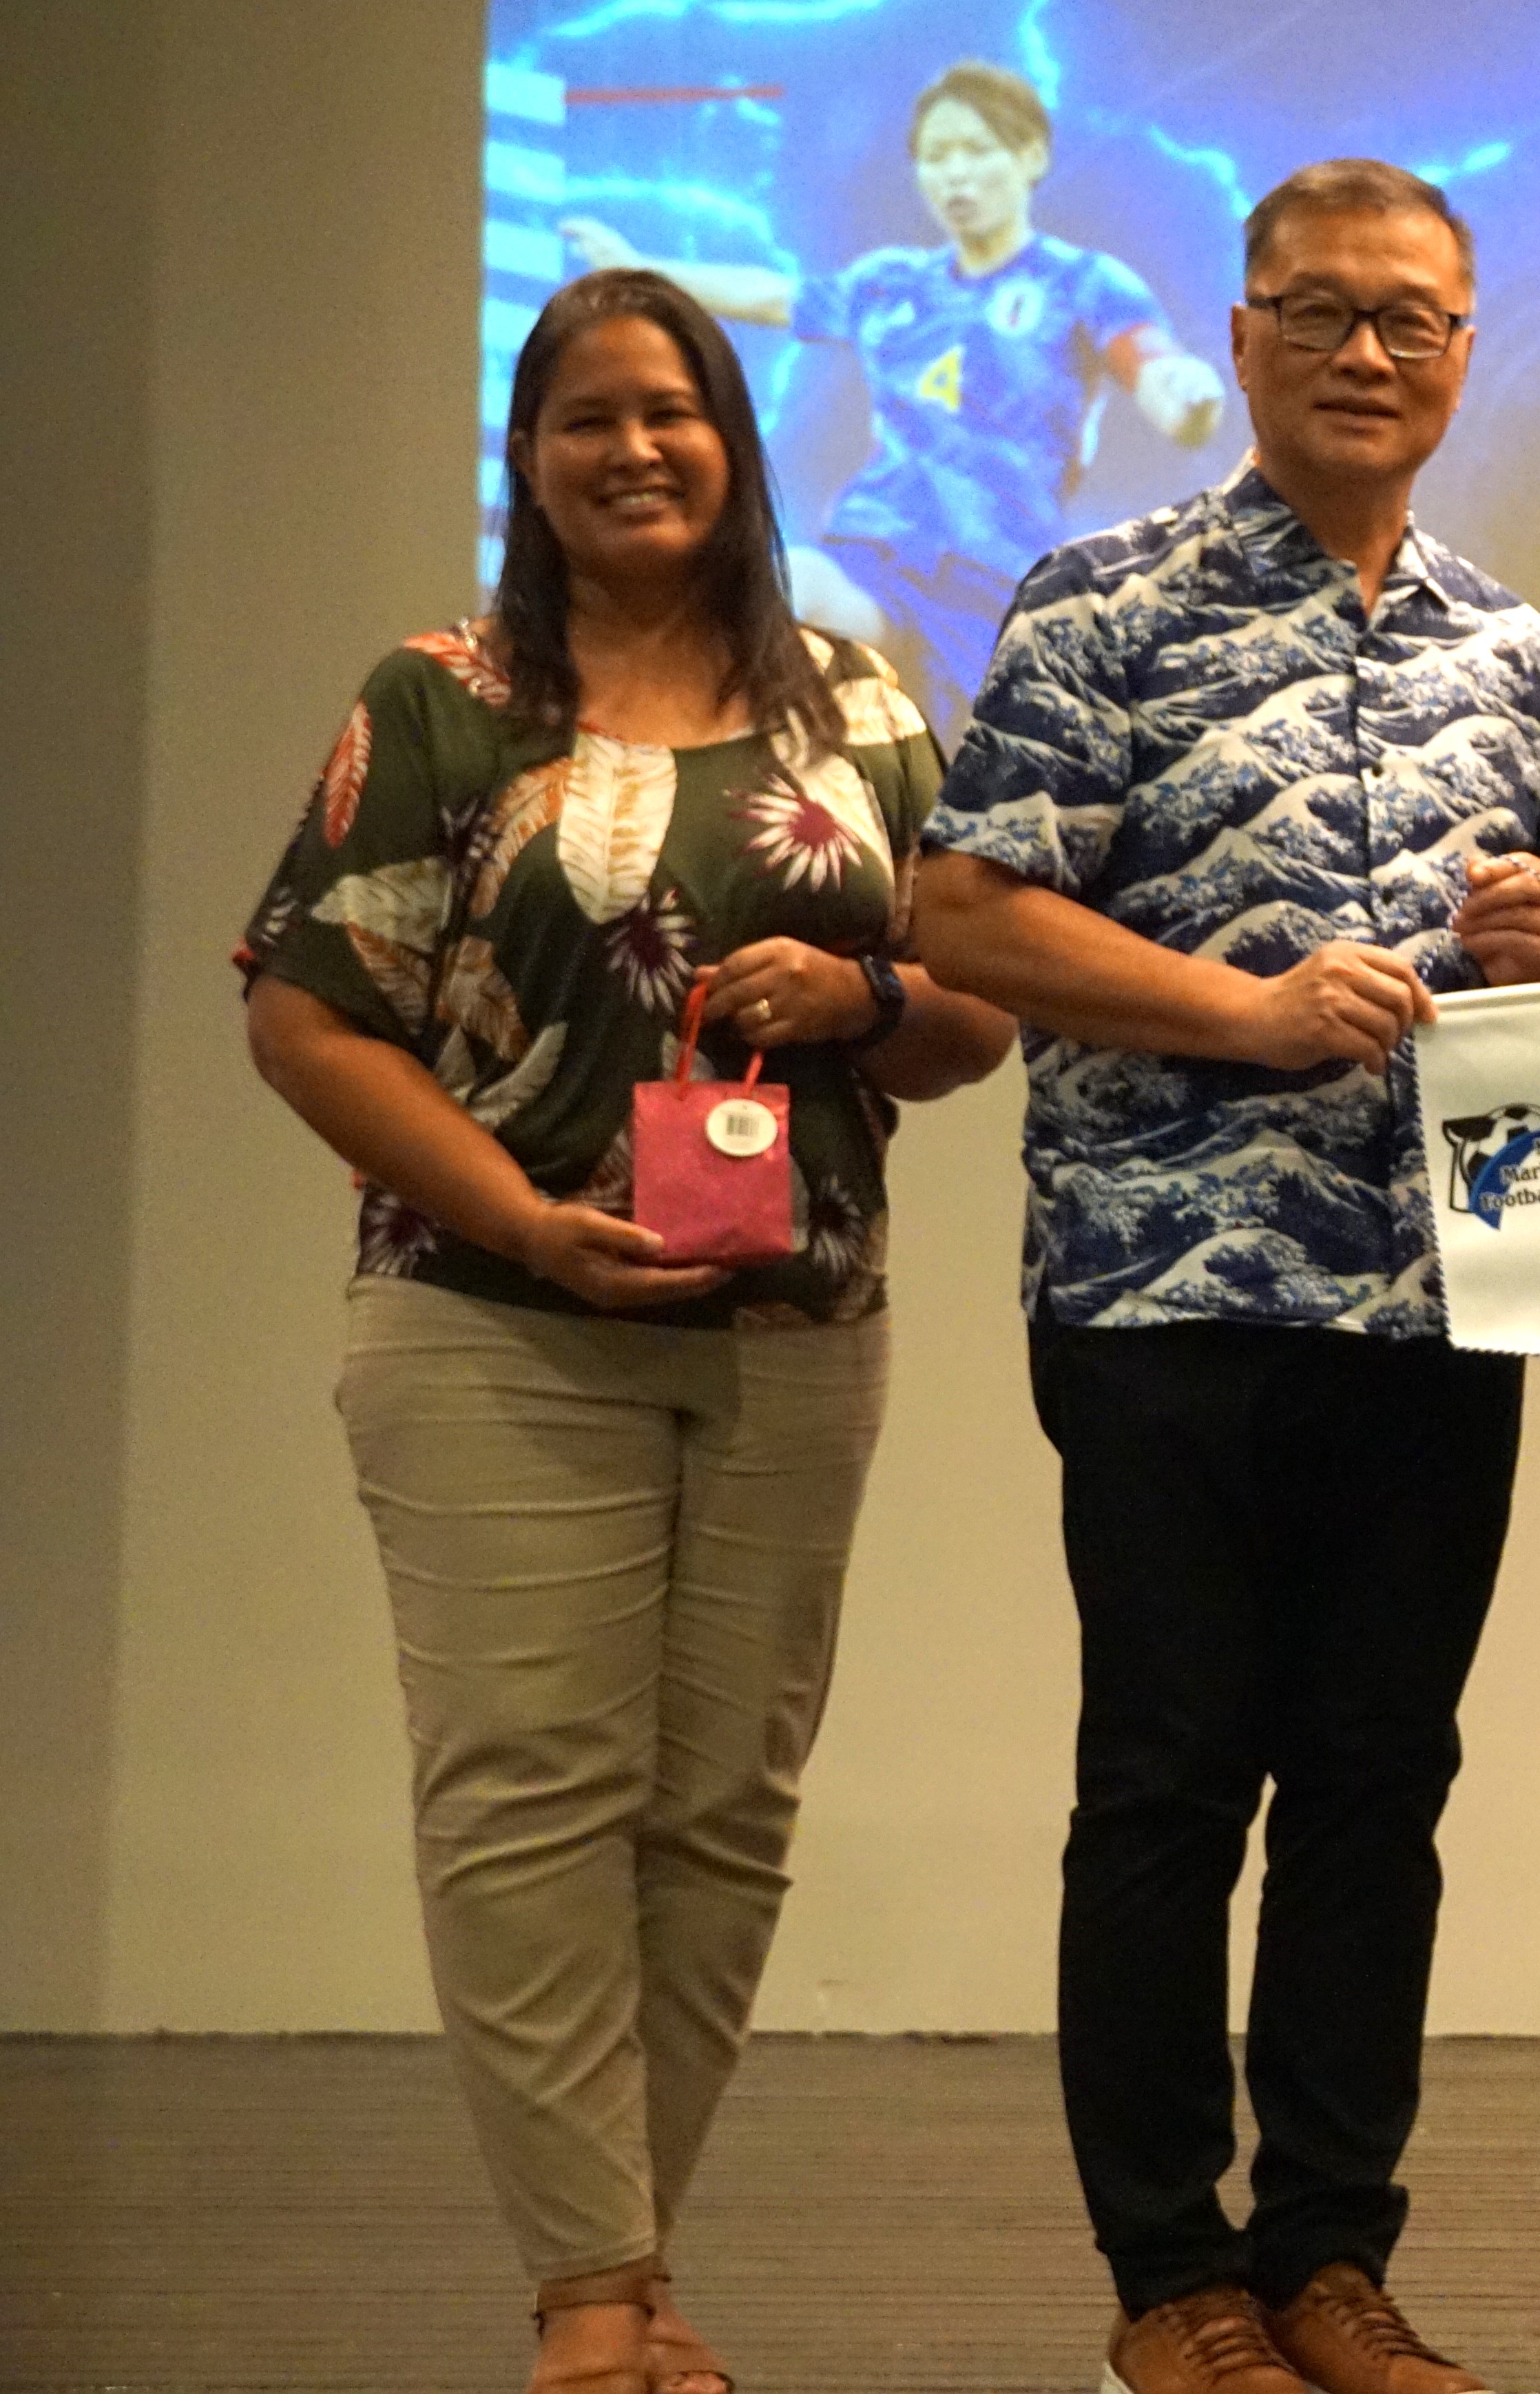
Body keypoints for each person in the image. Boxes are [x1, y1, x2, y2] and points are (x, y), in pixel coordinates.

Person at [237, 267, 1014, 2394]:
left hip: (792, 1323)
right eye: (586, 418)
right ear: (528, 456)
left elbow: (969, 1013)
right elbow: (305, 1010)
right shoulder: (442, 702)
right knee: (527, 1788)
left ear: (736, 440)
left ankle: (621, 2256)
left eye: (670, 412)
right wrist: (522, 1216)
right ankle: (594, 2295)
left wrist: (860, 997)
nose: (634, 448)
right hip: (494, 1317)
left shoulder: (855, 706)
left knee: (719, 1807)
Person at [907, 159, 1540, 2394]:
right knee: (1174, 1778)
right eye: (1322, 313)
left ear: (1467, 355)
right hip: (1161, 1295)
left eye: (1413, 320)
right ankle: (1167, 2278)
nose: (1368, 353)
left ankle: (1331, 2260)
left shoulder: (1522, 656)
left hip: (1437, 1304)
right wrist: (1247, 1010)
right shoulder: (1105, 599)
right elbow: (970, 915)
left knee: (1383, 1779)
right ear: (1240, 334)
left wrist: (1537, 953)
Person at [563, 59, 1223, 716]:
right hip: (874, 556)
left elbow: (1156, 370)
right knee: (792, 591)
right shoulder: (891, 283)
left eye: (976, 150)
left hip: (994, 586)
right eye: (936, 156)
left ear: (1031, 156)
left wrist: (1188, 399)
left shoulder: (1083, 282)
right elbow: (772, 296)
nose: (955, 173)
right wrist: (640, 268)